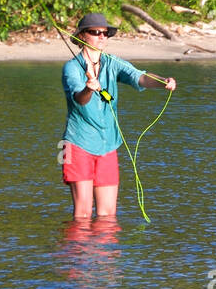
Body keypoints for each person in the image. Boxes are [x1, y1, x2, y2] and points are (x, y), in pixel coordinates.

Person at [60, 12, 176, 220]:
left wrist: (162, 81)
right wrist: (89, 88)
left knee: (107, 215)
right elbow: (80, 99)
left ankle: (103, 253)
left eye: (106, 33)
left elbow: (139, 77)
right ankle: (77, 253)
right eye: (96, 32)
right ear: (82, 36)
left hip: (108, 145)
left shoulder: (113, 63)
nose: (102, 37)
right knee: (83, 215)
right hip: (78, 144)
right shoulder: (71, 68)